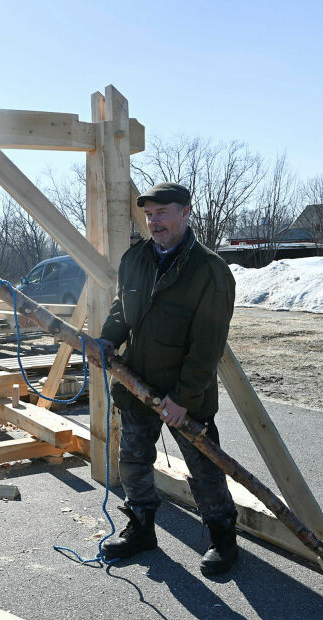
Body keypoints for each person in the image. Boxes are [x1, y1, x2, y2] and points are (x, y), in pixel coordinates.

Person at [98, 182, 239, 576]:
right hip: (136, 384)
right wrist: (108, 341)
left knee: (203, 466)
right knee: (133, 461)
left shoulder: (209, 270)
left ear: (186, 213)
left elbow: (208, 345)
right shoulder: (136, 259)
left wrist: (184, 399)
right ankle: (141, 528)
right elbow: (121, 309)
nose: (154, 221)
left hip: (183, 395)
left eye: (162, 212)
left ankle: (223, 538)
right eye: (149, 214)